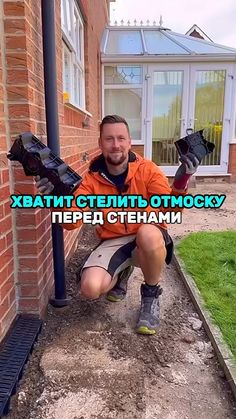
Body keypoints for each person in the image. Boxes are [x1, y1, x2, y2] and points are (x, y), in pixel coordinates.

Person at [35, 115, 199, 335]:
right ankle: (122, 272)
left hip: (146, 235)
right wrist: (56, 201)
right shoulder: (91, 180)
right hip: (113, 239)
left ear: (130, 142)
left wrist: (180, 183)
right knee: (90, 288)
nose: (116, 145)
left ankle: (150, 295)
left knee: (149, 234)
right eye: (109, 139)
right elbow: (72, 222)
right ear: (100, 143)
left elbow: (169, 211)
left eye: (121, 138)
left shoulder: (147, 170)